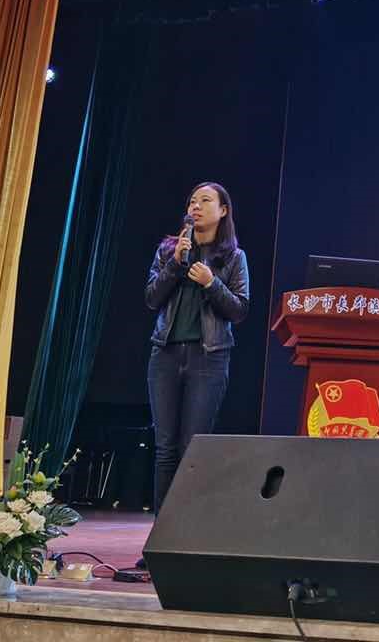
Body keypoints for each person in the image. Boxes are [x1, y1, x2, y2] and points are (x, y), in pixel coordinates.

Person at [143, 181, 249, 514]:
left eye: (205, 200)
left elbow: (239, 309)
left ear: (223, 210)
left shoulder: (233, 257)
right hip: (165, 354)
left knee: (192, 449)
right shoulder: (168, 251)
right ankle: (161, 532)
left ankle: (185, 530)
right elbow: (151, 299)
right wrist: (176, 264)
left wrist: (211, 283)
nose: (196, 206)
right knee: (165, 449)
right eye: (192, 201)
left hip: (208, 358)